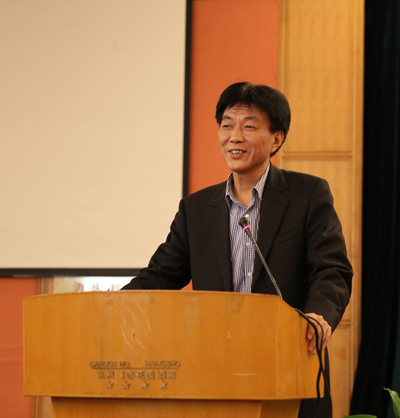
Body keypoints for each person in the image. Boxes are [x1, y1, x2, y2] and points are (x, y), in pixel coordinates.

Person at [122, 81, 353, 418]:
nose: (235, 137)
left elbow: (332, 270)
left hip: (289, 359)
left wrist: (319, 315)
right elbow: (159, 275)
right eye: (227, 125)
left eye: (249, 127)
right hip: (216, 367)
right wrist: (109, 308)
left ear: (276, 139)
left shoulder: (307, 194)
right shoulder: (196, 209)